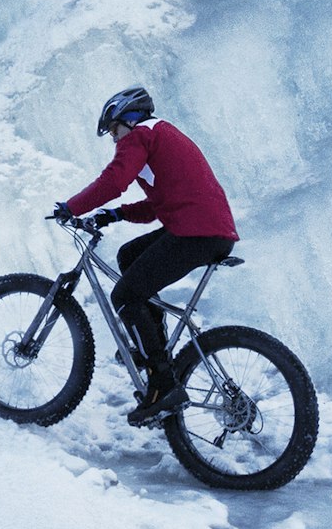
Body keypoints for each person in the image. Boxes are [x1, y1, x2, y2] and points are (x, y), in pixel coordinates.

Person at [52, 86, 238, 426]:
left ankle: (161, 382)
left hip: (195, 232)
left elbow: (114, 180)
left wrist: (71, 207)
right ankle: (155, 347)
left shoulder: (140, 135)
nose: (114, 139)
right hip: (207, 229)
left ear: (129, 118)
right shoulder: (163, 134)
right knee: (129, 255)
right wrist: (115, 215)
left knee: (124, 295)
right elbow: (159, 203)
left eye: (113, 129)